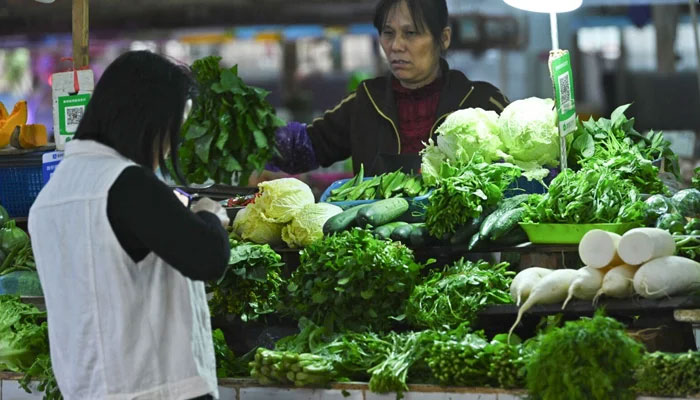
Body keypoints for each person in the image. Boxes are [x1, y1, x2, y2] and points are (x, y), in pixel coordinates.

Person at [28, 51, 231, 400]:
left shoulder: (49, 199)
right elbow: (209, 257)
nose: (168, 149)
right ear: (144, 121)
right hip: (157, 390)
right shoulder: (124, 185)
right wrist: (210, 212)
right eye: (169, 133)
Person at [270, 0, 509, 176]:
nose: (396, 46)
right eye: (388, 33)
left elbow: (533, 168)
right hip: (380, 241)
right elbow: (303, 149)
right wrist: (248, 131)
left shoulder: (481, 102)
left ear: (443, 38)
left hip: (466, 242)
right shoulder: (365, 102)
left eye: (411, 33)